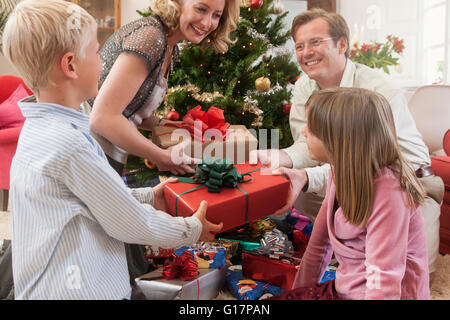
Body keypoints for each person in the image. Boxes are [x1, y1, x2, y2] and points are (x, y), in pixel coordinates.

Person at [2, 0, 222, 299]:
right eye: (95, 52)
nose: (104, 62)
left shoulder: (45, 129)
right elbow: (131, 223)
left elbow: (88, 203)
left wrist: (149, 195)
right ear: (70, 65)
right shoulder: (68, 145)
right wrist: (191, 229)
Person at [251, 8, 444, 276]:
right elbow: (311, 147)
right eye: (299, 46)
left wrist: (308, 175)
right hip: (348, 180)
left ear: (342, 44)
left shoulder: (376, 90)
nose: (306, 52)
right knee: (298, 191)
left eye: (315, 42)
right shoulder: (305, 87)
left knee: (408, 273)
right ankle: (348, 250)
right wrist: (282, 157)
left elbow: (376, 164)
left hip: (407, 184)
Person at [87, 0, 239, 281]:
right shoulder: (150, 36)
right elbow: (103, 117)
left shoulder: (171, 45)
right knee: (105, 259)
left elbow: (131, 109)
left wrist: (170, 124)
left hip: (107, 154)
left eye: (217, 15)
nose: (208, 23)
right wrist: (163, 157)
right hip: (91, 152)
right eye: (201, 9)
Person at [270, 87, 430, 300]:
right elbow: (318, 248)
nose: (304, 131)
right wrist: (298, 294)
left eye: (312, 127)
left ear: (339, 138)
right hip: (346, 290)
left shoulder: (390, 190)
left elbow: (384, 279)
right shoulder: (340, 171)